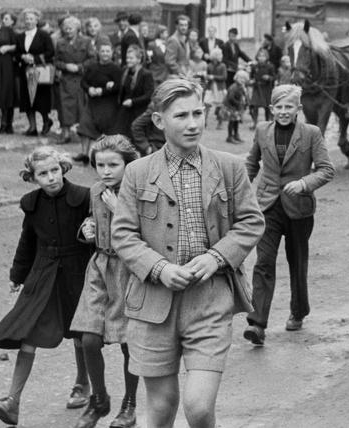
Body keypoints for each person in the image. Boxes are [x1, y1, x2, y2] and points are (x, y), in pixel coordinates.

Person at [110, 78, 264, 428]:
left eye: (198, 113)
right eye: (181, 116)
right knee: (161, 407)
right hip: (152, 303)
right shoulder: (137, 173)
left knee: (198, 408)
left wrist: (216, 257)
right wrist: (160, 268)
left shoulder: (229, 167)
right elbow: (123, 233)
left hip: (209, 300)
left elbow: (251, 221)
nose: (192, 123)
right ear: (159, 121)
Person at [0, 147, 94, 426]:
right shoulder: (31, 203)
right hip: (43, 275)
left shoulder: (84, 197)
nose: (51, 177)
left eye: (55, 170)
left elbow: (101, 232)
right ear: (33, 177)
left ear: (63, 168)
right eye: (43, 174)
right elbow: (27, 241)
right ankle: (12, 401)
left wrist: (91, 234)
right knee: (29, 332)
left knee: (81, 332)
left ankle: (83, 384)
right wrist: (17, 275)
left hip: (78, 272)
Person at [243, 84, 335, 344]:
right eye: (279, 107)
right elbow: (252, 163)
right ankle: (257, 324)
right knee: (263, 262)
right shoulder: (262, 130)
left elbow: (326, 170)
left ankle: (298, 311)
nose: (284, 112)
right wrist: (241, 189)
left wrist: (304, 183)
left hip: (299, 209)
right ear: (271, 109)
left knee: (297, 262)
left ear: (298, 109)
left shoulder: (311, 133)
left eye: (289, 107)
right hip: (267, 207)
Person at [69, 136, 141, 428]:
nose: (106, 171)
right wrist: (88, 228)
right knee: (88, 338)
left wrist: (117, 208)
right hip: (100, 267)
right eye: (100, 165)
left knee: (128, 342)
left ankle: (129, 405)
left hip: (129, 270)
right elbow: (93, 219)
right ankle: (99, 400)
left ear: (128, 165)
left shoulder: (138, 190)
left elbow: (148, 232)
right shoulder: (96, 190)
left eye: (113, 165)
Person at [77, 44, 122, 162]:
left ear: (112, 53)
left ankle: (102, 156)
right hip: (92, 102)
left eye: (107, 51)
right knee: (85, 124)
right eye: (103, 51)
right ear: (98, 53)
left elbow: (119, 87)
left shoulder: (116, 69)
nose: (105, 53)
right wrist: (89, 89)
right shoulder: (92, 67)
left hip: (108, 104)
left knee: (104, 129)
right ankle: (84, 154)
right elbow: (83, 82)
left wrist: (103, 91)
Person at [54, 15, 94, 144]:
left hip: (81, 79)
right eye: (65, 28)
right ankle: (65, 134)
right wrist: (65, 66)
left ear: (77, 29)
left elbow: (92, 59)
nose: (68, 31)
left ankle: (82, 133)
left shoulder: (86, 41)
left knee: (81, 106)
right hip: (66, 80)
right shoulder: (60, 42)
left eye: (70, 28)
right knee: (64, 107)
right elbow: (56, 61)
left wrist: (79, 67)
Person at [16, 9, 55, 137]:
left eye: (31, 19)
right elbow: (16, 53)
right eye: (26, 19)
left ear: (37, 20)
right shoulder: (20, 36)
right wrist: (22, 57)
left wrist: (35, 58)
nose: (28, 21)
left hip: (39, 71)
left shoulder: (44, 35)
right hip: (25, 71)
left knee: (41, 98)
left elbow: (50, 52)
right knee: (27, 99)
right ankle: (32, 127)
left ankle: (46, 121)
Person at [114, 46, 155, 139]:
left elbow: (148, 95)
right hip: (125, 111)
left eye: (131, 58)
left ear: (139, 60)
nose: (128, 60)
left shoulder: (146, 74)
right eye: (127, 58)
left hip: (139, 111)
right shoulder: (125, 71)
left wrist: (133, 102)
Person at [249, 48, 276, 125]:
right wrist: (251, 81)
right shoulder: (254, 66)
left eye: (263, 56)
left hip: (266, 88)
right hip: (257, 88)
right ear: (257, 57)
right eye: (260, 56)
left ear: (266, 57)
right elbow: (251, 77)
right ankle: (254, 122)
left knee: (267, 107)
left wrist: (269, 77)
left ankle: (267, 122)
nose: (261, 58)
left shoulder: (270, 66)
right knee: (254, 105)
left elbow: (274, 77)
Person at [224, 70, 250, 144]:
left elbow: (244, 95)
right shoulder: (234, 87)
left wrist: (245, 103)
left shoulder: (241, 86)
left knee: (236, 121)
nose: (242, 80)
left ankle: (236, 135)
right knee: (232, 122)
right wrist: (238, 103)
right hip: (232, 107)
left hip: (237, 108)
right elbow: (231, 98)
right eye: (240, 78)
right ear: (236, 78)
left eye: (244, 79)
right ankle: (229, 137)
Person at [165, 15, 192, 79]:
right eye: (181, 25)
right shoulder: (173, 40)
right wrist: (181, 73)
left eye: (185, 25)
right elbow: (170, 61)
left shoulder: (185, 39)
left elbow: (186, 60)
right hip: (176, 77)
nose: (184, 27)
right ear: (176, 26)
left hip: (185, 76)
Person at [207, 48, 228, 129]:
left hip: (220, 88)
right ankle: (205, 121)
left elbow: (224, 77)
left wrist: (213, 77)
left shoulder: (223, 66)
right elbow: (207, 76)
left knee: (220, 106)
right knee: (207, 104)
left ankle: (220, 123)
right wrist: (207, 77)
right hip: (211, 88)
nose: (220, 56)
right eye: (219, 55)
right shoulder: (209, 65)